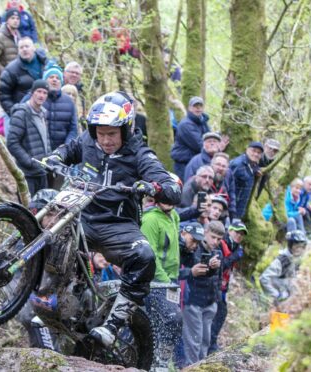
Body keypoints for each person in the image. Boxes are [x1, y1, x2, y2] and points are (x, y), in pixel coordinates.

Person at [46, 91, 181, 347]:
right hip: (81, 216)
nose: (105, 140)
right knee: (49, 227)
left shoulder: (140, 153)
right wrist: (56, 157)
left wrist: (154, 187)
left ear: (126, 130)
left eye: (112, 134)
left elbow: (171, 186)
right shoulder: (88, 140)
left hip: (117, 227)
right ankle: (43, 295)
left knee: (145, 257)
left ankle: (112, 326)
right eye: (101, 133)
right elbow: (69, 148)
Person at [140, 186, 182, 369]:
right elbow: (150, 254)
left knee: (170, 320)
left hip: (172, 278)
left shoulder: (174, 216)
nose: (169, 205)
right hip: (155, 279)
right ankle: (155, 361)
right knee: (170, 318)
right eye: (166, 201)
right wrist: (163, 280)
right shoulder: (150, 220)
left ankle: (163, 361)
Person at [179, 220, 224, 367]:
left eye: (219, 239)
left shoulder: (218, 252)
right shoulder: (192, 248)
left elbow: (218, 277)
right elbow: (190, 271)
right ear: (205, 233)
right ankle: (190, 367)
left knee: (205, 340)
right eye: (213, 237)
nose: (216, 241)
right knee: (193, 341)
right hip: (193, 301)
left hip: (210, 302)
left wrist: (217, 299)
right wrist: (208, 268)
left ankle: (201, 368)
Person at [7, 79, 51, 194]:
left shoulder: (44, 114)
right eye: (39, 91)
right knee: (26, 210)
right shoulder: (21, 114)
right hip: (27, 174)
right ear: (32, 93)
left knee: (41, 209)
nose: (42, 95)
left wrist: (50, 159)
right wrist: (29, 162)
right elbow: (12, 143)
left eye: (45, 93)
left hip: (42, 172)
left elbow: (46, 141)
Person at [209, 221, 246, 353]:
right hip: (214, 284)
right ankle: (210, 344)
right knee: (217, 313)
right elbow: (222, 265)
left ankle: (211, 343)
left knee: (221, 313)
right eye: (237, 232)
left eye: (242, 234)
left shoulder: (235, 246)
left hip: (223, 286)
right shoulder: (222, 243)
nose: (239, 236)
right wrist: (235, 256)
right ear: (229, 231)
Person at [0, 37, 49, 115]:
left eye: (27, 46)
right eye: (21, 47)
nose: (24, 49)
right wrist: (14, 112)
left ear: (33, 48)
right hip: (22, 113)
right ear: (18, 51)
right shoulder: (11, 69)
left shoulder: (45, 63)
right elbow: (3, 94)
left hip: (45, 111)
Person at [260, 230, 307, 305]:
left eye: (301, 246)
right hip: (281, 301)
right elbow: (264, 279)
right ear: (290, 245)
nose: (299, 249)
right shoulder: (282, 260)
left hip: (292, 299)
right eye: (296, 245)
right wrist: (277, 295)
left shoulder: (297, 259)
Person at [170, 96, 210, 180]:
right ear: (189, 108)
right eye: (195, 106)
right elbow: (199, 145)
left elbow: (209, 138)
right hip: (184, 164)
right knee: (187, 189)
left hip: (195, 161)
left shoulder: (203, 122)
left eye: (200, 106)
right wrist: (217, 148)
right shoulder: (186, 124)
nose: (198, 108)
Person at [40, 65, 78, 150]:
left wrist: (66, 148)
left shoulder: (69, 102)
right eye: (51, 77)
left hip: (61, 152)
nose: (54, 80)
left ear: (61, 82)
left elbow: (73, 129)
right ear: (45, 80)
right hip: (40, 150)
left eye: (57, 78)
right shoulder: (37, 99)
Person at [229, 141, 263, 219]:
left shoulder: (252, 164)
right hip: (231, 208)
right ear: (247, 150)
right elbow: (228, 185)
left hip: (240, 210)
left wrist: (256, 170)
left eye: (259, 153)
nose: (256, 154)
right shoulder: (238, 164)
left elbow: (250, 171)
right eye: (253, 151)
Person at [209, 153, 237, 220]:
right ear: (212, 165)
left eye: (224, 166)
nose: (220, 168)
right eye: (218, 164)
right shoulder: (204, 179)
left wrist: (232, 216)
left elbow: (231, 196)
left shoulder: (227, 178)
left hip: (219, 217)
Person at [0, 8, 21, 73]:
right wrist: (5, 73)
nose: (15, 21)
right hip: (5, 77)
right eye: (12, 18)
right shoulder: (0, 37)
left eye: (17, 18)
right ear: (7, 20)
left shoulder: (19, 36)